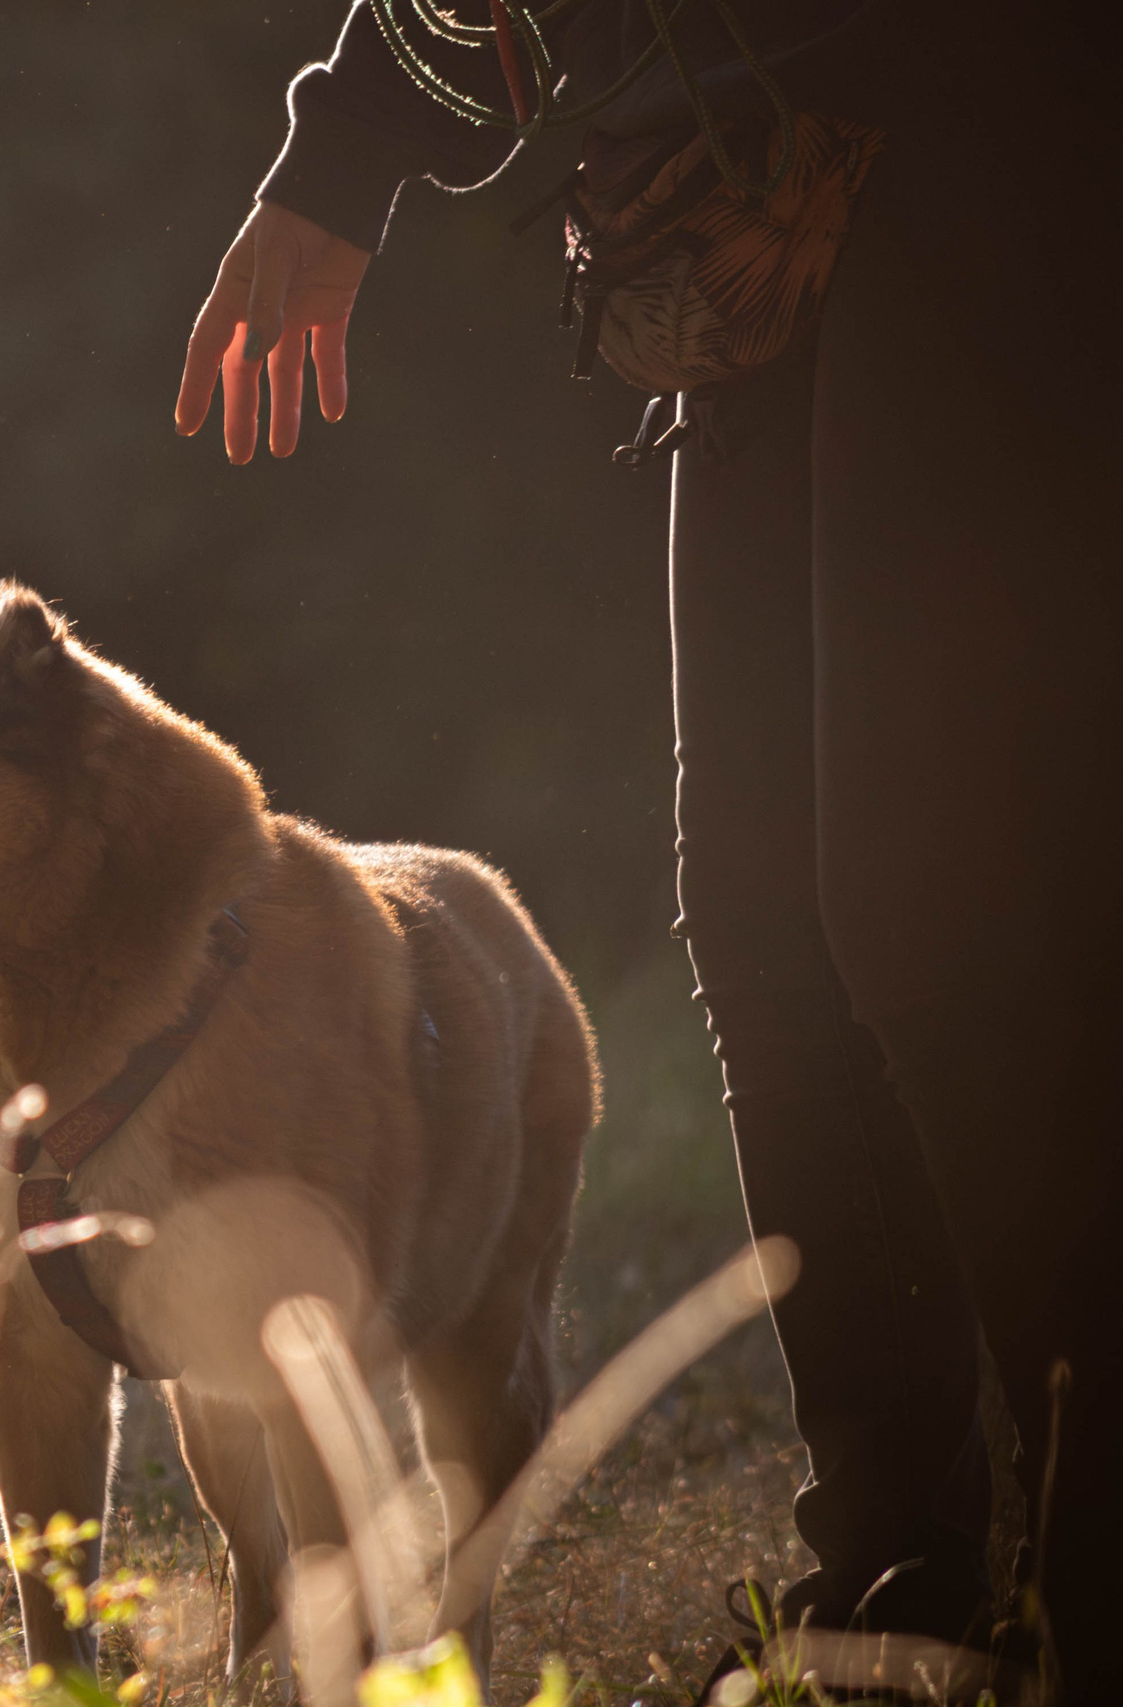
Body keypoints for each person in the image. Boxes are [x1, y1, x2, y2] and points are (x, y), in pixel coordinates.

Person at [173, 2, 1121, 1698]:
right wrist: (348, 151)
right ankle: (900, 1575)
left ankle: (1094, 1572)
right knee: (762, 915)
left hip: (1001, 131)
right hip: (753, 151)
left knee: (936, 905)